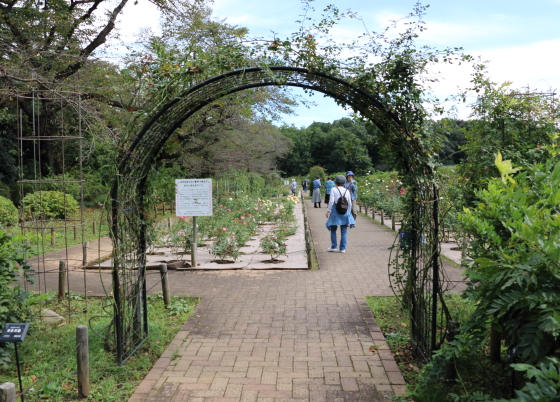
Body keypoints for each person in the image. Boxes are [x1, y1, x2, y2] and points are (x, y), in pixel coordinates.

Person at [325, 175, 355, 252]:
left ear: (336, 182)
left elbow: (331, 201)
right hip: (345, 211)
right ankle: (342, 248)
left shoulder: (333, 189)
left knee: (333, 229)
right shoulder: (347, 191)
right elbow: (349, 203)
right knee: (344, 231)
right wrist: (349, 212)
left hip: (335, 210)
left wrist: (328, 211)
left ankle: (334, 246)